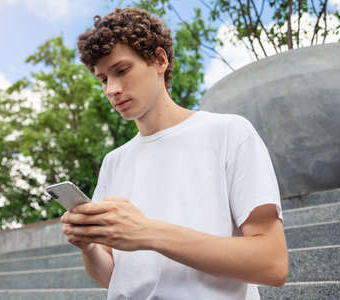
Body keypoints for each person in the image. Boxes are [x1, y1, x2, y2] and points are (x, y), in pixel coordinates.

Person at [60, 7, 288, 300]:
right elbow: (112, 277)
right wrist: (88, 245)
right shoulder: (113, 162)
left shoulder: (230, 133)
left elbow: (272, 262)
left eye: (121, 70)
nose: (112, 89)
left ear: (159, 60)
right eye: (103, 79)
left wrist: (147, 232)